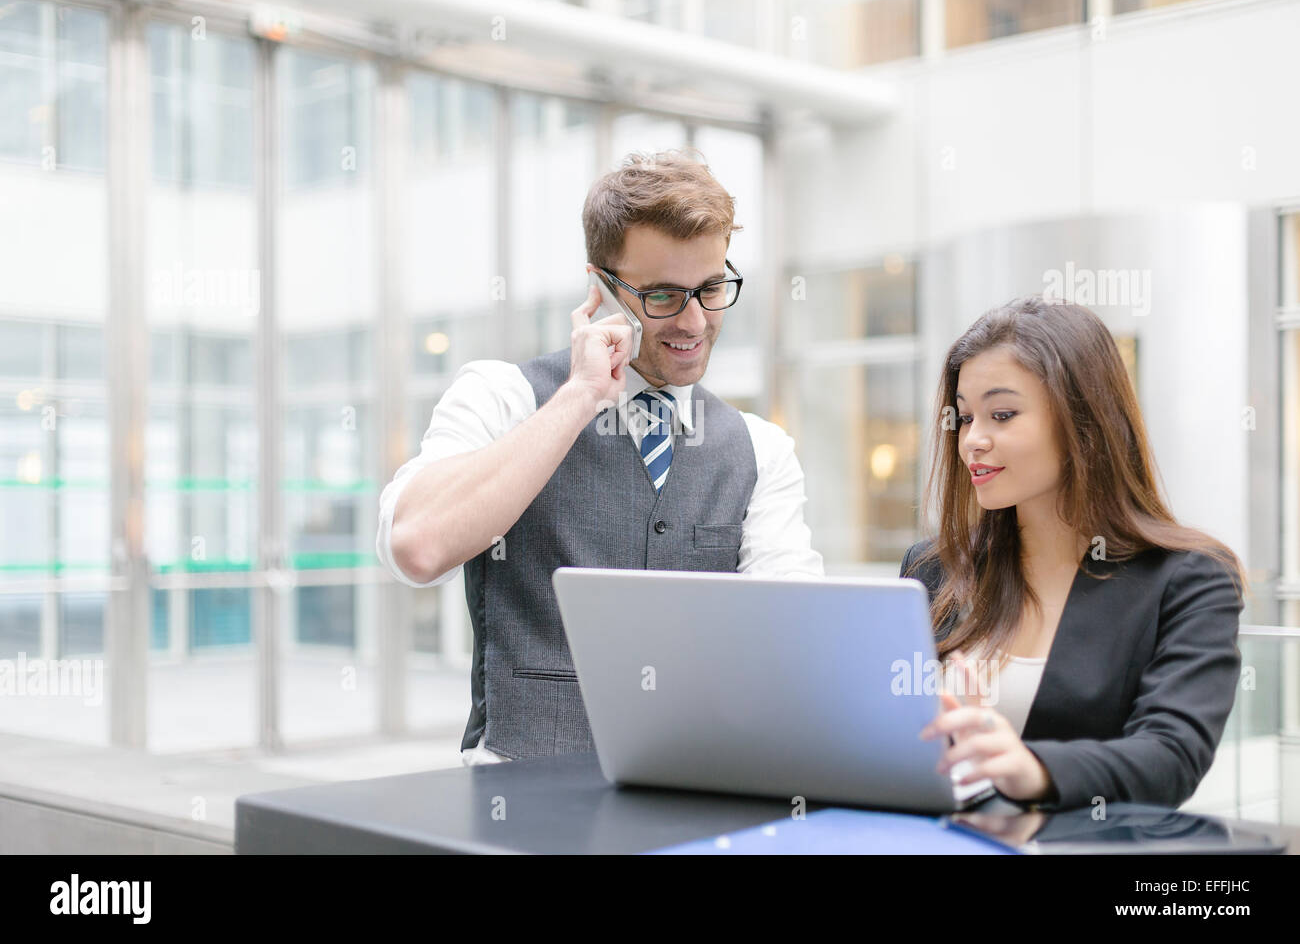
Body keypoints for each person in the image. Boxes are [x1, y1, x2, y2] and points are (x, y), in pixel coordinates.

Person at [377, 148, 823, 764]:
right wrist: (580, 397)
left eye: (713, 287)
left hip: (692, 794)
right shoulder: (503, 395)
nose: (695, 320)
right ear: (601, 290)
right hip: (521, 801)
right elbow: (417, 547)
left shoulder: (759, 449)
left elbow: (796, 637)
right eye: (664, 294)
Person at [901, 296, 1245, 810]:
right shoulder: (933, 568)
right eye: (966, 417)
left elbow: (1172, 756)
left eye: (1002, 414)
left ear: (1083, 421)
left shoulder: (1189, 580)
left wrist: (1032, 767)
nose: (973, 440)